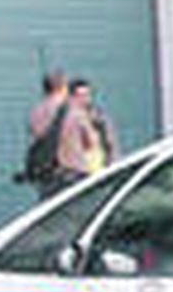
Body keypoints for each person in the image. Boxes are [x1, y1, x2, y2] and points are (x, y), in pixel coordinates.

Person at [52, 78, 118, 193]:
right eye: (80, 96)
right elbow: (71, 150)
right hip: (80, 175)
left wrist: (113, 163)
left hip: (99, 171)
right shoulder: (70, 118)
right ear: (71, 98)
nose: (85, 99)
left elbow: (109, 142)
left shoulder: (98, 117)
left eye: (87, 95)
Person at [27, 70, 69, 200]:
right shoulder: (68, 109)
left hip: (43, 166)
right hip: (66, 167)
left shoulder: (36, 110)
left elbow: (34, 134)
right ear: (63, 87)